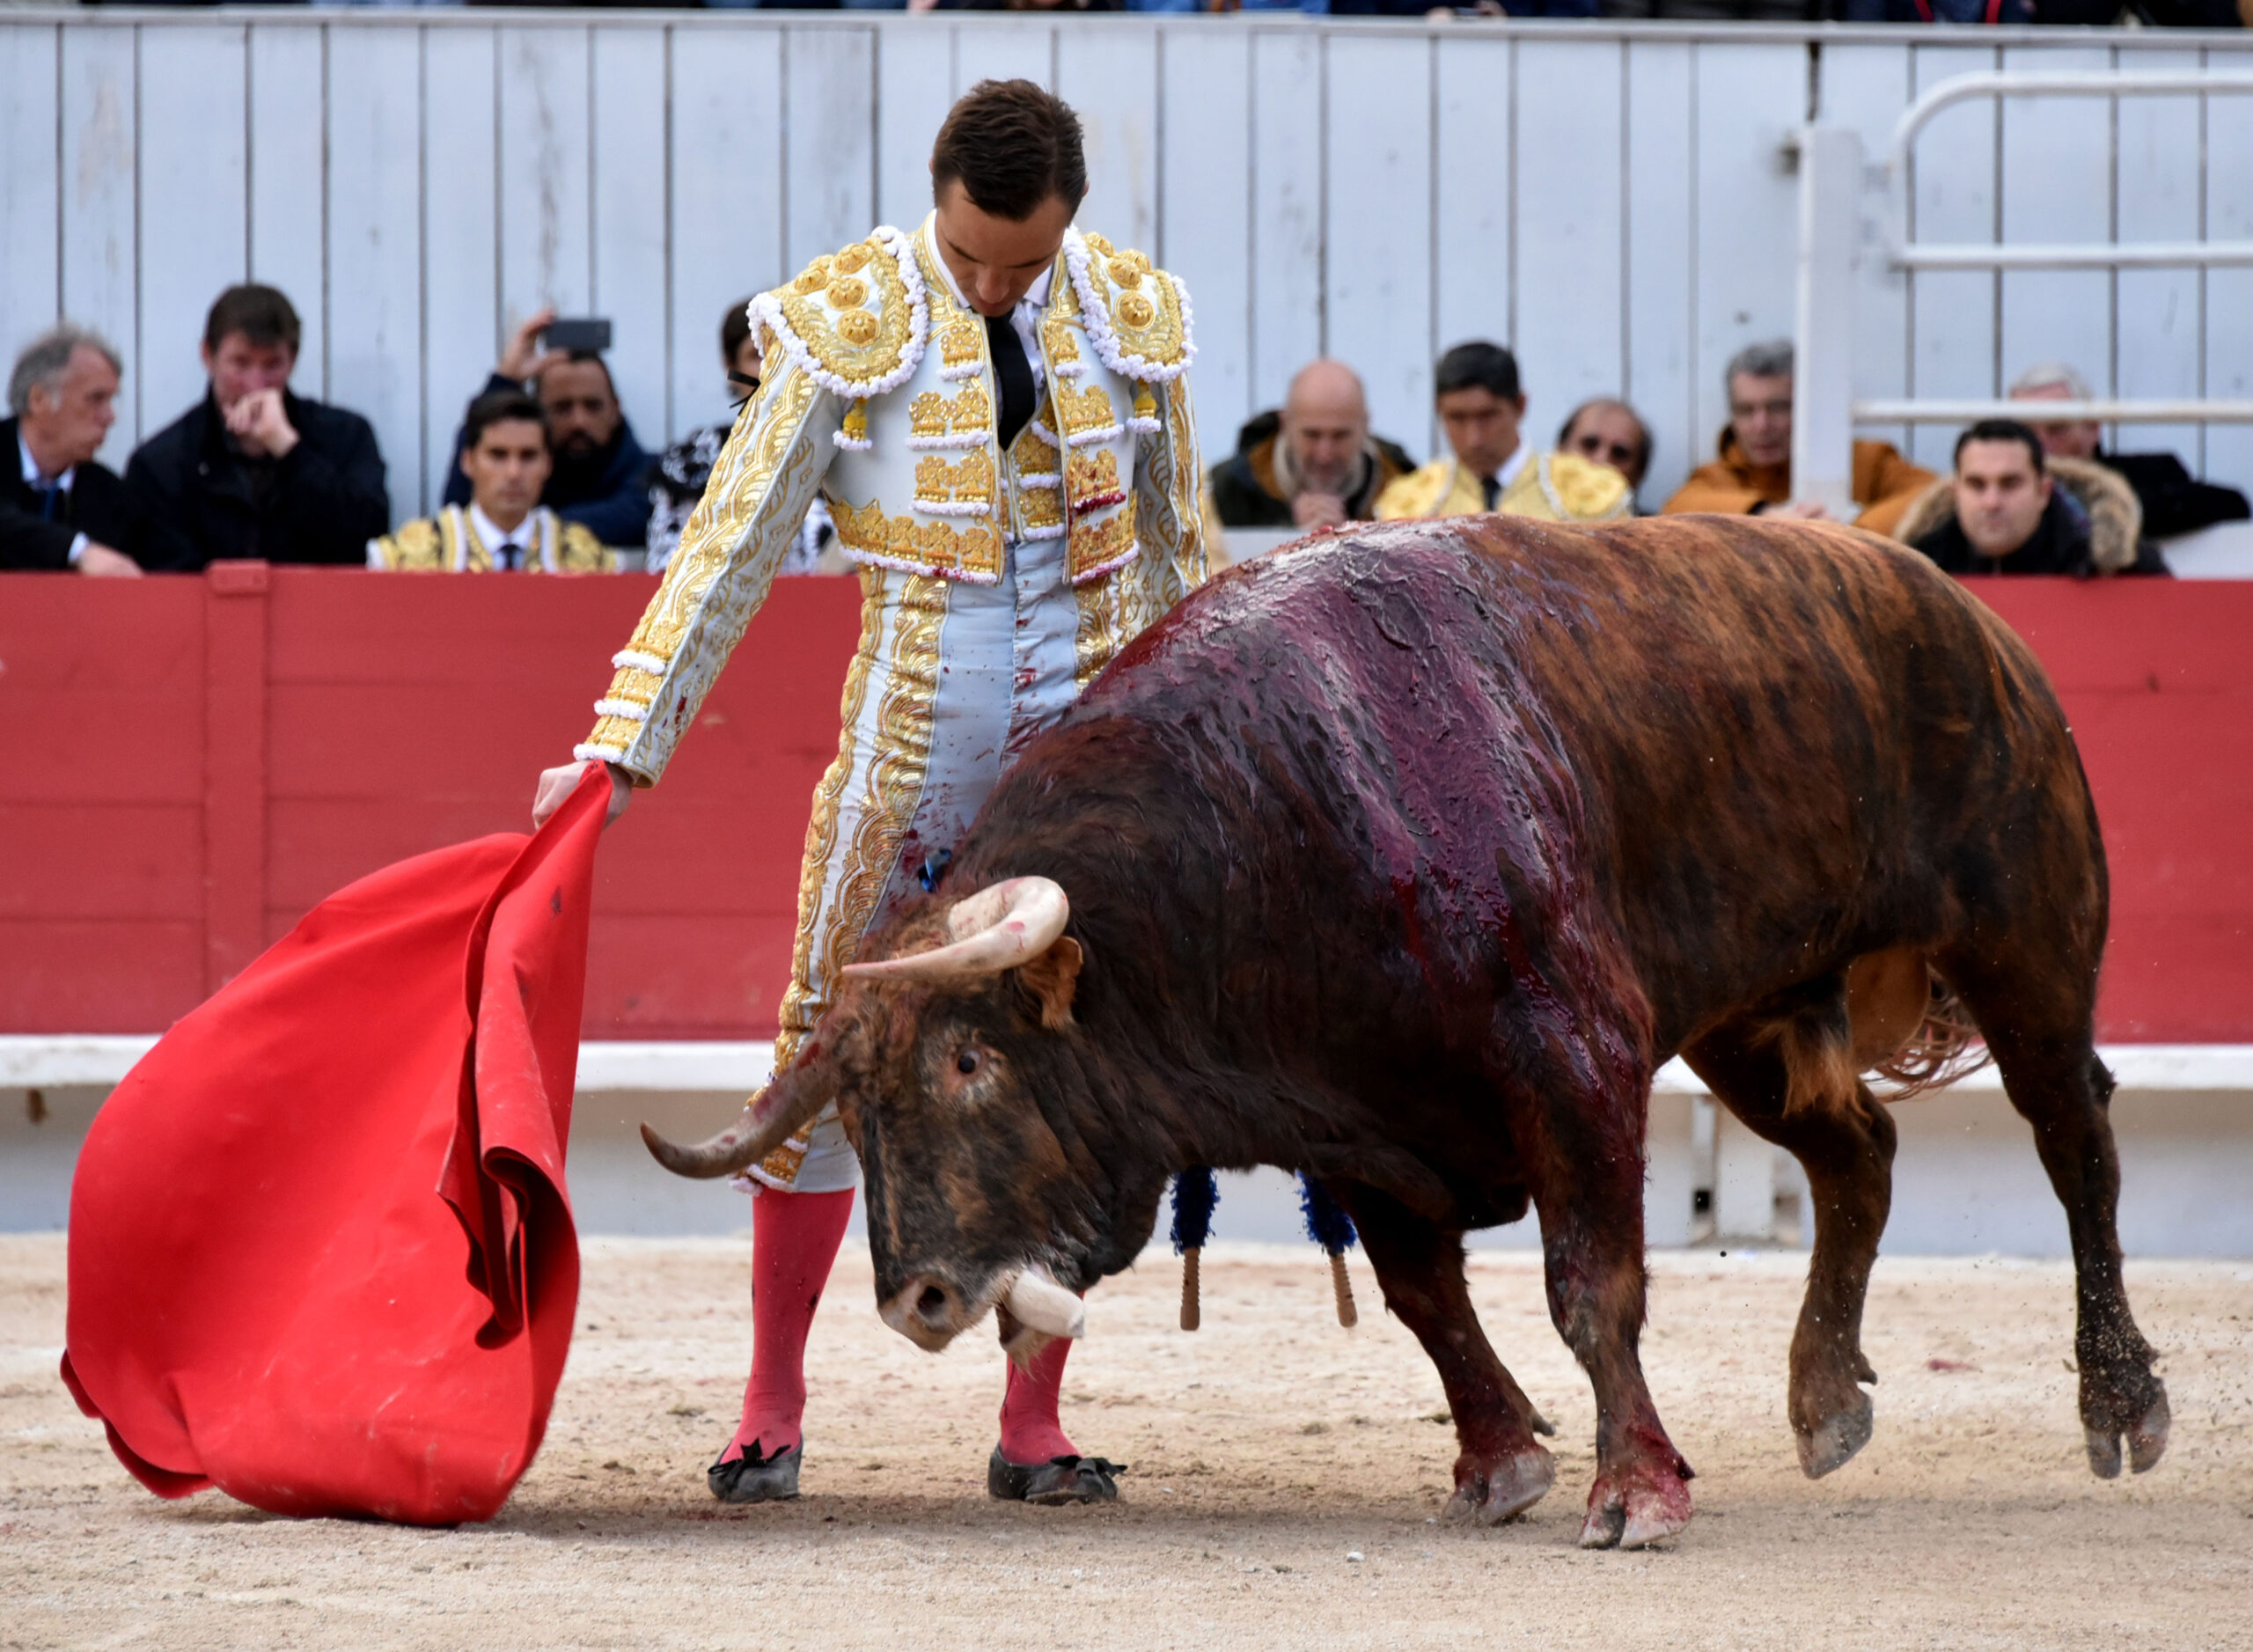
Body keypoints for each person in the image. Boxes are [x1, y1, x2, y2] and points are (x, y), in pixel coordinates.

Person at [529, 80, 1207, 1510]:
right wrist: (617, 749)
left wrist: (1214, 772)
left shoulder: (1132, 317)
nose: (991, 285)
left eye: (1022, 264)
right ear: (938, 197)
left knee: (1068, 1073)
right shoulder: (850, 318)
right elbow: (731, 547)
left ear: (1070, 221)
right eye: (970, 255)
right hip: (910, 765)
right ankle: (772, 1400)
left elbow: (1178, 569)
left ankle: (1033, 1421)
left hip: (1087, 776)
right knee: (827, 1053)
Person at [125, 285, 389, 571]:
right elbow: (167, 578)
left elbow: (369, 546)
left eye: (272, 365)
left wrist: (290, 450)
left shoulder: (346, 436)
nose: (256, 385)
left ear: (293, 361)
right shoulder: (160, 463)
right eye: (240, 364)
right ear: (207, 356)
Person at [1661, 340, 1931, 537]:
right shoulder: (1717, 477)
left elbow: (1933, 494)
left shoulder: (1866, 462)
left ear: (1809, 407)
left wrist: (1853, 534)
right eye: (1746, 411)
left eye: (1778, 407)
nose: (1762, 425)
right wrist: (1760, 515)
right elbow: (1675, 510)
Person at [647, 298, 839, 576]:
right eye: (758, 355)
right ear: (730, 365)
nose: (774, 368)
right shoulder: (693, 463)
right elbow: (665, 574)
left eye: (786, 353)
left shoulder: (845, 454)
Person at [442, 313, 650, 551]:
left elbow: (640, 516)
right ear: (538, 410)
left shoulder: (656, 478)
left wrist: (518, 525)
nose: (578, 422)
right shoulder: (516, 472)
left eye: (592, 406)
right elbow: (461, 513)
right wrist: (505, 381)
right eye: (562, 408)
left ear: (615, 409)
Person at [1375, 341, 1629, 523]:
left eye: (1487, 416)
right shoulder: (1404, 504)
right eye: (1456, 418)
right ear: (1439, 411)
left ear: (1520, 406)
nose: (1473, 439)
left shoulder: (1594, 495)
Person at [368, 390, 611, 573]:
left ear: (547, 464)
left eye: (528, 456)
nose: (514, 473)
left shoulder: (590, 557)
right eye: (498, 455)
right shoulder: (404, 557)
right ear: (468, 461)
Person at [2008, 362, 2250, 541]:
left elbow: (2233, 503)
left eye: (2056, 428)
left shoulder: (2149, 473)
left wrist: (2110, 506)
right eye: (2027, 432)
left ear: (2093, 427)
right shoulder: (1990, 493)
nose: (2040, 446)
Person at [1897, 418, 2163, 577]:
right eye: (1977, 485)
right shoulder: (1913, 570)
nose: (1992, 502)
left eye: (2010, 484)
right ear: (1955, 493)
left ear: (2044, 492)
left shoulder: (2123, 563)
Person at [1206, 359, 1413, 531]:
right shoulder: (1224, 492)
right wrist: (1289, 534)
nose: (1325, 454)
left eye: (1340, 436)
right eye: (1311, 435)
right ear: (1285, 424)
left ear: (1365, 427)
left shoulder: (1410, 492)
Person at [2, 325, 140, 576]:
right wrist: (77, 550)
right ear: (39, 399)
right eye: (96, 399)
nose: (110, 417)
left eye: (111, 400)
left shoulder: (110, 494)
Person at [1557, 397, 1653, 501]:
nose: (1601, 461)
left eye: (1619, 453)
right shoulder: (1536, 513)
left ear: (1638, 474)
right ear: (1560, 450)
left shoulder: (1665, 517)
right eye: (1590, 444)